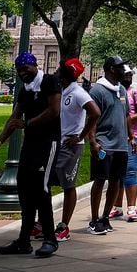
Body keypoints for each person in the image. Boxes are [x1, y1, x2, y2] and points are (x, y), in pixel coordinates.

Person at [0, 51, 62, 257]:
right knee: (24, 190)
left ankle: (50, 239)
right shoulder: (25, 91)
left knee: (42, 190)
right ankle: (23, 241)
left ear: (35, 66)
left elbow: (54, 110)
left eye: (25, 68)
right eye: (19, 70)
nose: (22, 73)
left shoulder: (50, 82)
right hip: (30, 145)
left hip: (49, 144)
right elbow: (14, 118)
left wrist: (28, 123)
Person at [52, 57, 99, 242]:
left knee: (68, 185)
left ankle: (64, 226)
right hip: (56, 143)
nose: (56, 73)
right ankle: (43, 223)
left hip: (71, 146)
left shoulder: (78, 93)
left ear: (64, 74)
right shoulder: (62, 91)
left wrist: (81, 136)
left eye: (58, 70)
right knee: (46, 182)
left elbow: (95, 112)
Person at [85, 56, 131, 235]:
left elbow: (126, 115)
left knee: (116, 182)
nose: (124, 71)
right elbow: (91, 119)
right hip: (103, 144)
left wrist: (131, 137)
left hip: (120, 145)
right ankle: (94, 219)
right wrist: (93, 142)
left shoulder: (121, 89)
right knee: (99, 180)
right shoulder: (97, 90)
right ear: (111, 69)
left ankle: (105, 217)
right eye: (121, 68)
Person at [109, 66, 137, 222]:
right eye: (125, 75)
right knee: (116, 174)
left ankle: (132, 208)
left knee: (130, 172)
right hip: (116, 138)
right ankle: (117, 207)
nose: (127, 77)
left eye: (130, 75)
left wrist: (128, 119)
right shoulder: (114, 91)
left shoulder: (134, 92)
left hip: (134, 137)